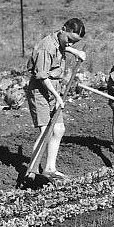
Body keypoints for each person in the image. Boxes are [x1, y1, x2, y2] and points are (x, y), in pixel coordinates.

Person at [26, 18, 87, 179]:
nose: (70, 44)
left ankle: (50, 168)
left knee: (59, 129)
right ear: (63, 29)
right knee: (46, 130)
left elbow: (63, 47)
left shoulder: (60, 41)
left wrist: (75, 52)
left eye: (74, 43)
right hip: (40, 90)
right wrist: (57, 97)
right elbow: (42, 77)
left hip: (53, 89)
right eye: (70, 40)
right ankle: (32, 173)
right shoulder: (46, 47)